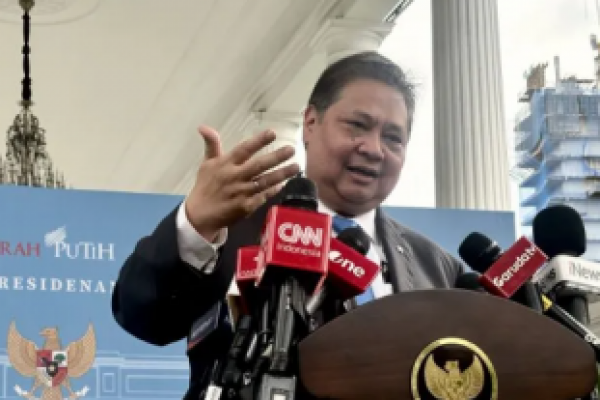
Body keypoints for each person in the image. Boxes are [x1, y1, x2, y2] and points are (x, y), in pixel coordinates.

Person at [111, 51, 465, 398]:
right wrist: (196, 225)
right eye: (357, 125)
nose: (374, 149)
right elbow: (144, 317)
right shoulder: (233, 225)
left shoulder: (437, 267)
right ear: (310, 123)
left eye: (393, 138)